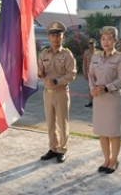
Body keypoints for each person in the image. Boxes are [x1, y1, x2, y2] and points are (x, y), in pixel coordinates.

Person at [89, 26, 121, 174]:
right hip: (99, 99)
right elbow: (91, 74)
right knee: (102, 131)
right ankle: (106, 159)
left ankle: (114, 160)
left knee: (113, 132)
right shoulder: (96, 57)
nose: (105, 42)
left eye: (109, 39)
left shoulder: (120, 58)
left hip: (113, 99)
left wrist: (105, 87)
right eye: (103, 39)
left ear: (115, 40)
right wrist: (92, 88)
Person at [37, 21, 77, 163]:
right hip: (47, 93)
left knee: (62, 122)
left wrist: (56, 81)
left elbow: (71, 75)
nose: (55, 38)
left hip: (61, 92)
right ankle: (53, 148)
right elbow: (40, 72)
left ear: (63, 37)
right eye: (52, 35)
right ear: (48, 38)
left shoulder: (67, 55)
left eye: (58, 35)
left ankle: (62, 149)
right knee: (50, 123)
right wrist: (39, 73)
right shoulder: (44, 54)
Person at [83, 38, 98, 107]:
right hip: (89, 72)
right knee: (90, 87)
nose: (91, 45)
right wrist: (84, 72)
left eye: (92, 43)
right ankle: (90, 102)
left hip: (97, 72)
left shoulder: (99, 52)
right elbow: (84, 63)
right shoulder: (86, 52)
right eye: (90, 43)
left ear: (95, 44)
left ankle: (97, 102)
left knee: (97, 86)